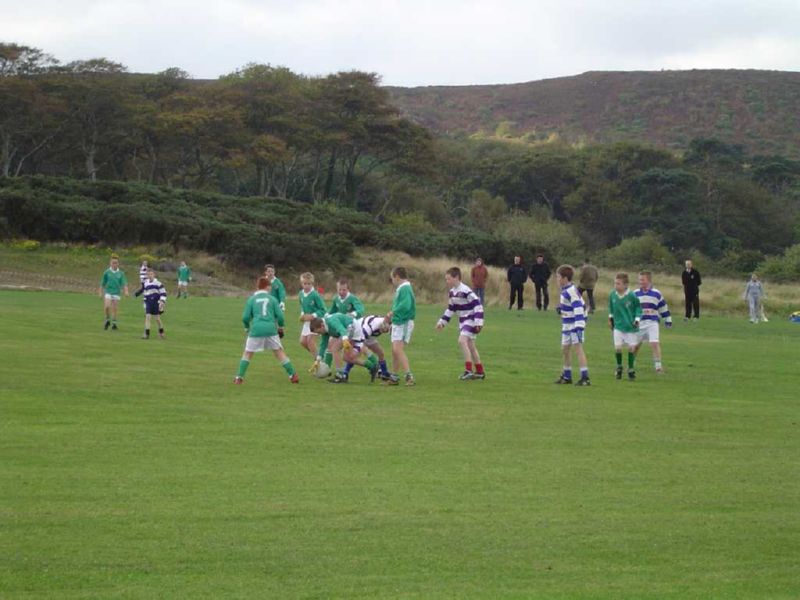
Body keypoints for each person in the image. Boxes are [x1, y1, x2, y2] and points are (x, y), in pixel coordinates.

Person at [234, 277, 298, 384]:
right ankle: (293, 375)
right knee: (279, 352)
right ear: (268, 287)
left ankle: (239, 378)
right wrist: (281, 327)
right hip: (271, 329)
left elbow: (245, 317)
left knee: (248, 353)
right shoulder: (273, 299)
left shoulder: (251, 300)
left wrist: (246, 327)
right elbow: (280, 317)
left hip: (256, 329)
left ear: (257, 287)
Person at [436, 267, 486, 380]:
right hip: (463, 321)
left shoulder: (466, 290)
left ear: (457, 278)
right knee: (471, 346)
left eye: (448, 279)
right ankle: (480, 372)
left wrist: (478, 323)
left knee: (462, 341)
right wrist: (442, 322)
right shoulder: (452, 293)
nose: (446, 281)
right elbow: (450, 309)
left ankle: (468, 370)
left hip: (471, 320)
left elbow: (478, 305)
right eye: (446, 279)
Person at [310, 314, 379, 383]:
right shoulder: (324, 329)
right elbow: (323, 344)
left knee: (335, 349)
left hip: (352, 328)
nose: (319, 334)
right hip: (347, 330)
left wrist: (345, 340)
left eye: (319, 332)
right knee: (347, 358)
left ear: (322, 325)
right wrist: (318, 359)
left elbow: (341, 329)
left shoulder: (331, 321)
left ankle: (340, 375)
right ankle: (372, 367)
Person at [554, 264, 590, 386]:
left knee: (578, 349)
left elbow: (579, 307)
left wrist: (579, 325)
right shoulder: (565, 291)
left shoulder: (571, 291)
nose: (557, 279)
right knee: (565, 349)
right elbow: (569, 306)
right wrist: (561, 310)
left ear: (565, 278)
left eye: (558, 277)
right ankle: (567, 375)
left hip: (575, 324)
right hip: (566, 323)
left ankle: (585, 377)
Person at [633, 271, 672, 373]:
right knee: (635, 346)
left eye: (642, 280)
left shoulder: (656, 293)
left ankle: (658, 367)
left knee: (654, 343)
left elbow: (663, 307)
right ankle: (630, 364)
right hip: (639, 324)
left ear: (648, 280)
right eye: (639, 280)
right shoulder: (635, 293)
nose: (640, 282)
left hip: (652, 322)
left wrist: (667, 319)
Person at [385, 266, 416, 386]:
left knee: (397, 349)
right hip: (398, 322)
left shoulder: (405, 288)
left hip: (403, 322)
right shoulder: (403, 288)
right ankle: (394, 377)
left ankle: (409, 375)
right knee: (395, 350)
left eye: (392, 278)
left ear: (397, 277)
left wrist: (393, 312)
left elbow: (406, 305)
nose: (392, 281)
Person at [608, 273, 642, 380]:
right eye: (615, 283)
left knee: (631, 349)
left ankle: (631, 369)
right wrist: (610, 318)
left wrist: (637, 319)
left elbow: (638, 308)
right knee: (618, 348)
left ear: (625, 285)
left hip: (630, 327)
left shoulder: (631, 295)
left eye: (618, 284)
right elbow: (611, 308)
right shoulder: (612, 295)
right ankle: (619, 367)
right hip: (618, 326)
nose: (616, 285)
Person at [353, 315, 392, 380]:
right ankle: (346, 372)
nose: (383, 332)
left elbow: (388, 317)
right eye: (383, 330)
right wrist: (371, 357)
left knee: (380, 353)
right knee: (357, 352)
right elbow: (360, 342)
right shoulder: (370, 327)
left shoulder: (386, 324)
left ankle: (384, 373)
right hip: (359, 330)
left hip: (370, 336)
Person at [298, 272, 327, 359]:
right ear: (301, 283)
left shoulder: (315, 295)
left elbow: (323, 310)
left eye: (309, 284)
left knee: (310, 341)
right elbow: (302, 307)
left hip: (316, 321)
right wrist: (302, 315)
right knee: (303, 342)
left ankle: (319, 363)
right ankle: (319, 357)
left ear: (312, 283)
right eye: (304, 283)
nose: (306, 286)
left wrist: (313, 315)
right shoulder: (301, 294)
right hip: (307, 322)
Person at [99, 254, 129, 331]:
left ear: (118, 264)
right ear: (110, 263)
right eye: (113, 262)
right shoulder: (106, 272)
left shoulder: (121, 273)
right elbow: (102, 283)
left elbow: (124, 283)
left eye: (116, 263)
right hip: (108, 292)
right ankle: (107, 319)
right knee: (107, 307)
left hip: (117, 293)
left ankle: (114, 324)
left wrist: (126, 291)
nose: (114, 264)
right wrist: (100, 292)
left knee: (115, 309)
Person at [139, 268, 167, 339]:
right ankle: (146, 334)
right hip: (148, 302)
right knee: (148, 317)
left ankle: (161, 331)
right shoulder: (146, 283)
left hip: (156, 302)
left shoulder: (158, 283)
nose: (150, 275)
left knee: (157, 318)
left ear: (154, 274)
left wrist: (162, 302)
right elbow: (145, 294)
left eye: (151, 274)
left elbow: (163, 293)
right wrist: (144, 302)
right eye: (148, 274)